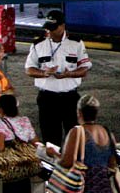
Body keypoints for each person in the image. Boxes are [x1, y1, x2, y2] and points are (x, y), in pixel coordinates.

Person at [25, 10, 93, 144]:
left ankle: (72, 163)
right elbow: (29, 69)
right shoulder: (38, 44)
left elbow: (84, 69)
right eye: (47, 28)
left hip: (70, 98)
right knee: (50, 139)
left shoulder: (76, 43)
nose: (49, 31)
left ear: (62, 26)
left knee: (74, 137)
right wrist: (44, 73)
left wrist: (70, 74)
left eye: (53, 28)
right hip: (47, 98)